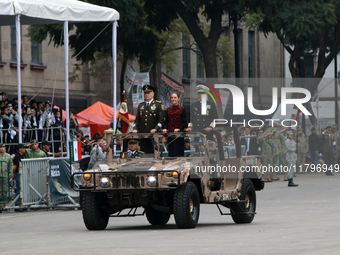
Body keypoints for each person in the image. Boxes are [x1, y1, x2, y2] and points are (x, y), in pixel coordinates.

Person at [133, 85, 165, 153]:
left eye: (148, 93)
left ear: (153, 94)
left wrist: (156, 128)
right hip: (143, 134)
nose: (146, 95)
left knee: (154, 152)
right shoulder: (141, 105)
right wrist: (135, 128)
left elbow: (161, 119)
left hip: (154, 135)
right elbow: (137, 119)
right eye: (145, 93)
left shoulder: (158, 104)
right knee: (143, 152)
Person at [162, 92, 187, 156]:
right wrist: (165, 128)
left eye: (175, 97)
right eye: (172, 98)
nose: (173, 99)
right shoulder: (168, 109)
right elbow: (166, 121)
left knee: (179, 152)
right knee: (171, 152)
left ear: (178, 99)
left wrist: (179, 129)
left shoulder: (182, 109)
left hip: (179, 134)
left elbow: (185, 122)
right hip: (170, 134)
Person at [0, 143, 13, 212]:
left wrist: (10, 173)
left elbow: (11, 164)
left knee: (4, 190)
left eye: (3, 147)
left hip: (5, 175)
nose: (2, 148)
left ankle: (3, 205)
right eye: (0, 147)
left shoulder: (8, 156)